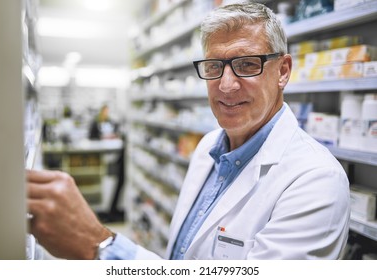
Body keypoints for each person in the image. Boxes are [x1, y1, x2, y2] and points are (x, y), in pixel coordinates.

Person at [27, 2, 350, 260]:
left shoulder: (316, 181)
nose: (225, 85)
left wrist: (100, 246)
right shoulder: (208, 147)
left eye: (247, 64)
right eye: (213, 66)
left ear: (282, 71)